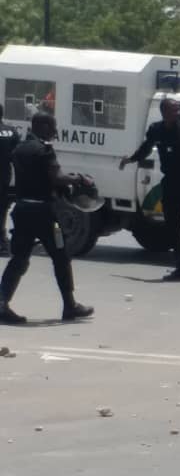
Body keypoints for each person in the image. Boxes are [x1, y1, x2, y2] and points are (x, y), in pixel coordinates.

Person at [0, 113, 94, 323]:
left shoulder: (19, 148)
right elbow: (57, 178)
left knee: (19, 259)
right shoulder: (44, 150)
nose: (55, 132)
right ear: (42, 126)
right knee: (61, 257)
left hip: (22, 210)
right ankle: (70, 306)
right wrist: (79, 178)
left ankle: (2, 303)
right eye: (52, 127)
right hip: (45, 214)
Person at [120, 97, 180, 282]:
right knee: (174, 227)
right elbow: (146, 149)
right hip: (171, 184)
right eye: (174, 110)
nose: (178, 113)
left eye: (178, 110)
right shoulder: (156, 130)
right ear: (164, 112)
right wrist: (130, 159)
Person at [0, 107, 21, 256]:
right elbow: (17, 158)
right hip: (4, 176)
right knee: (1, 209)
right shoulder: (11, 131)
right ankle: (2, 242)